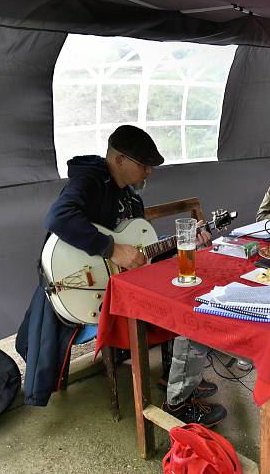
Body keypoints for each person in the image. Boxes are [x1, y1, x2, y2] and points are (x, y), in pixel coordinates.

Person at [16, 125, 226, 427]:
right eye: (144, 165)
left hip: (122, 286)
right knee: (182, 300)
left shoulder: (130, 199)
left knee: (186, 287)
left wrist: (189, 239)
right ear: (118, 160)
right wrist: (112, 249)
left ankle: (177, 377)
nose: (149, 171)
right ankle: (178, 396)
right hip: (84, 287)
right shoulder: (89, 181)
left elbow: (142, 249)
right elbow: (58, 217)